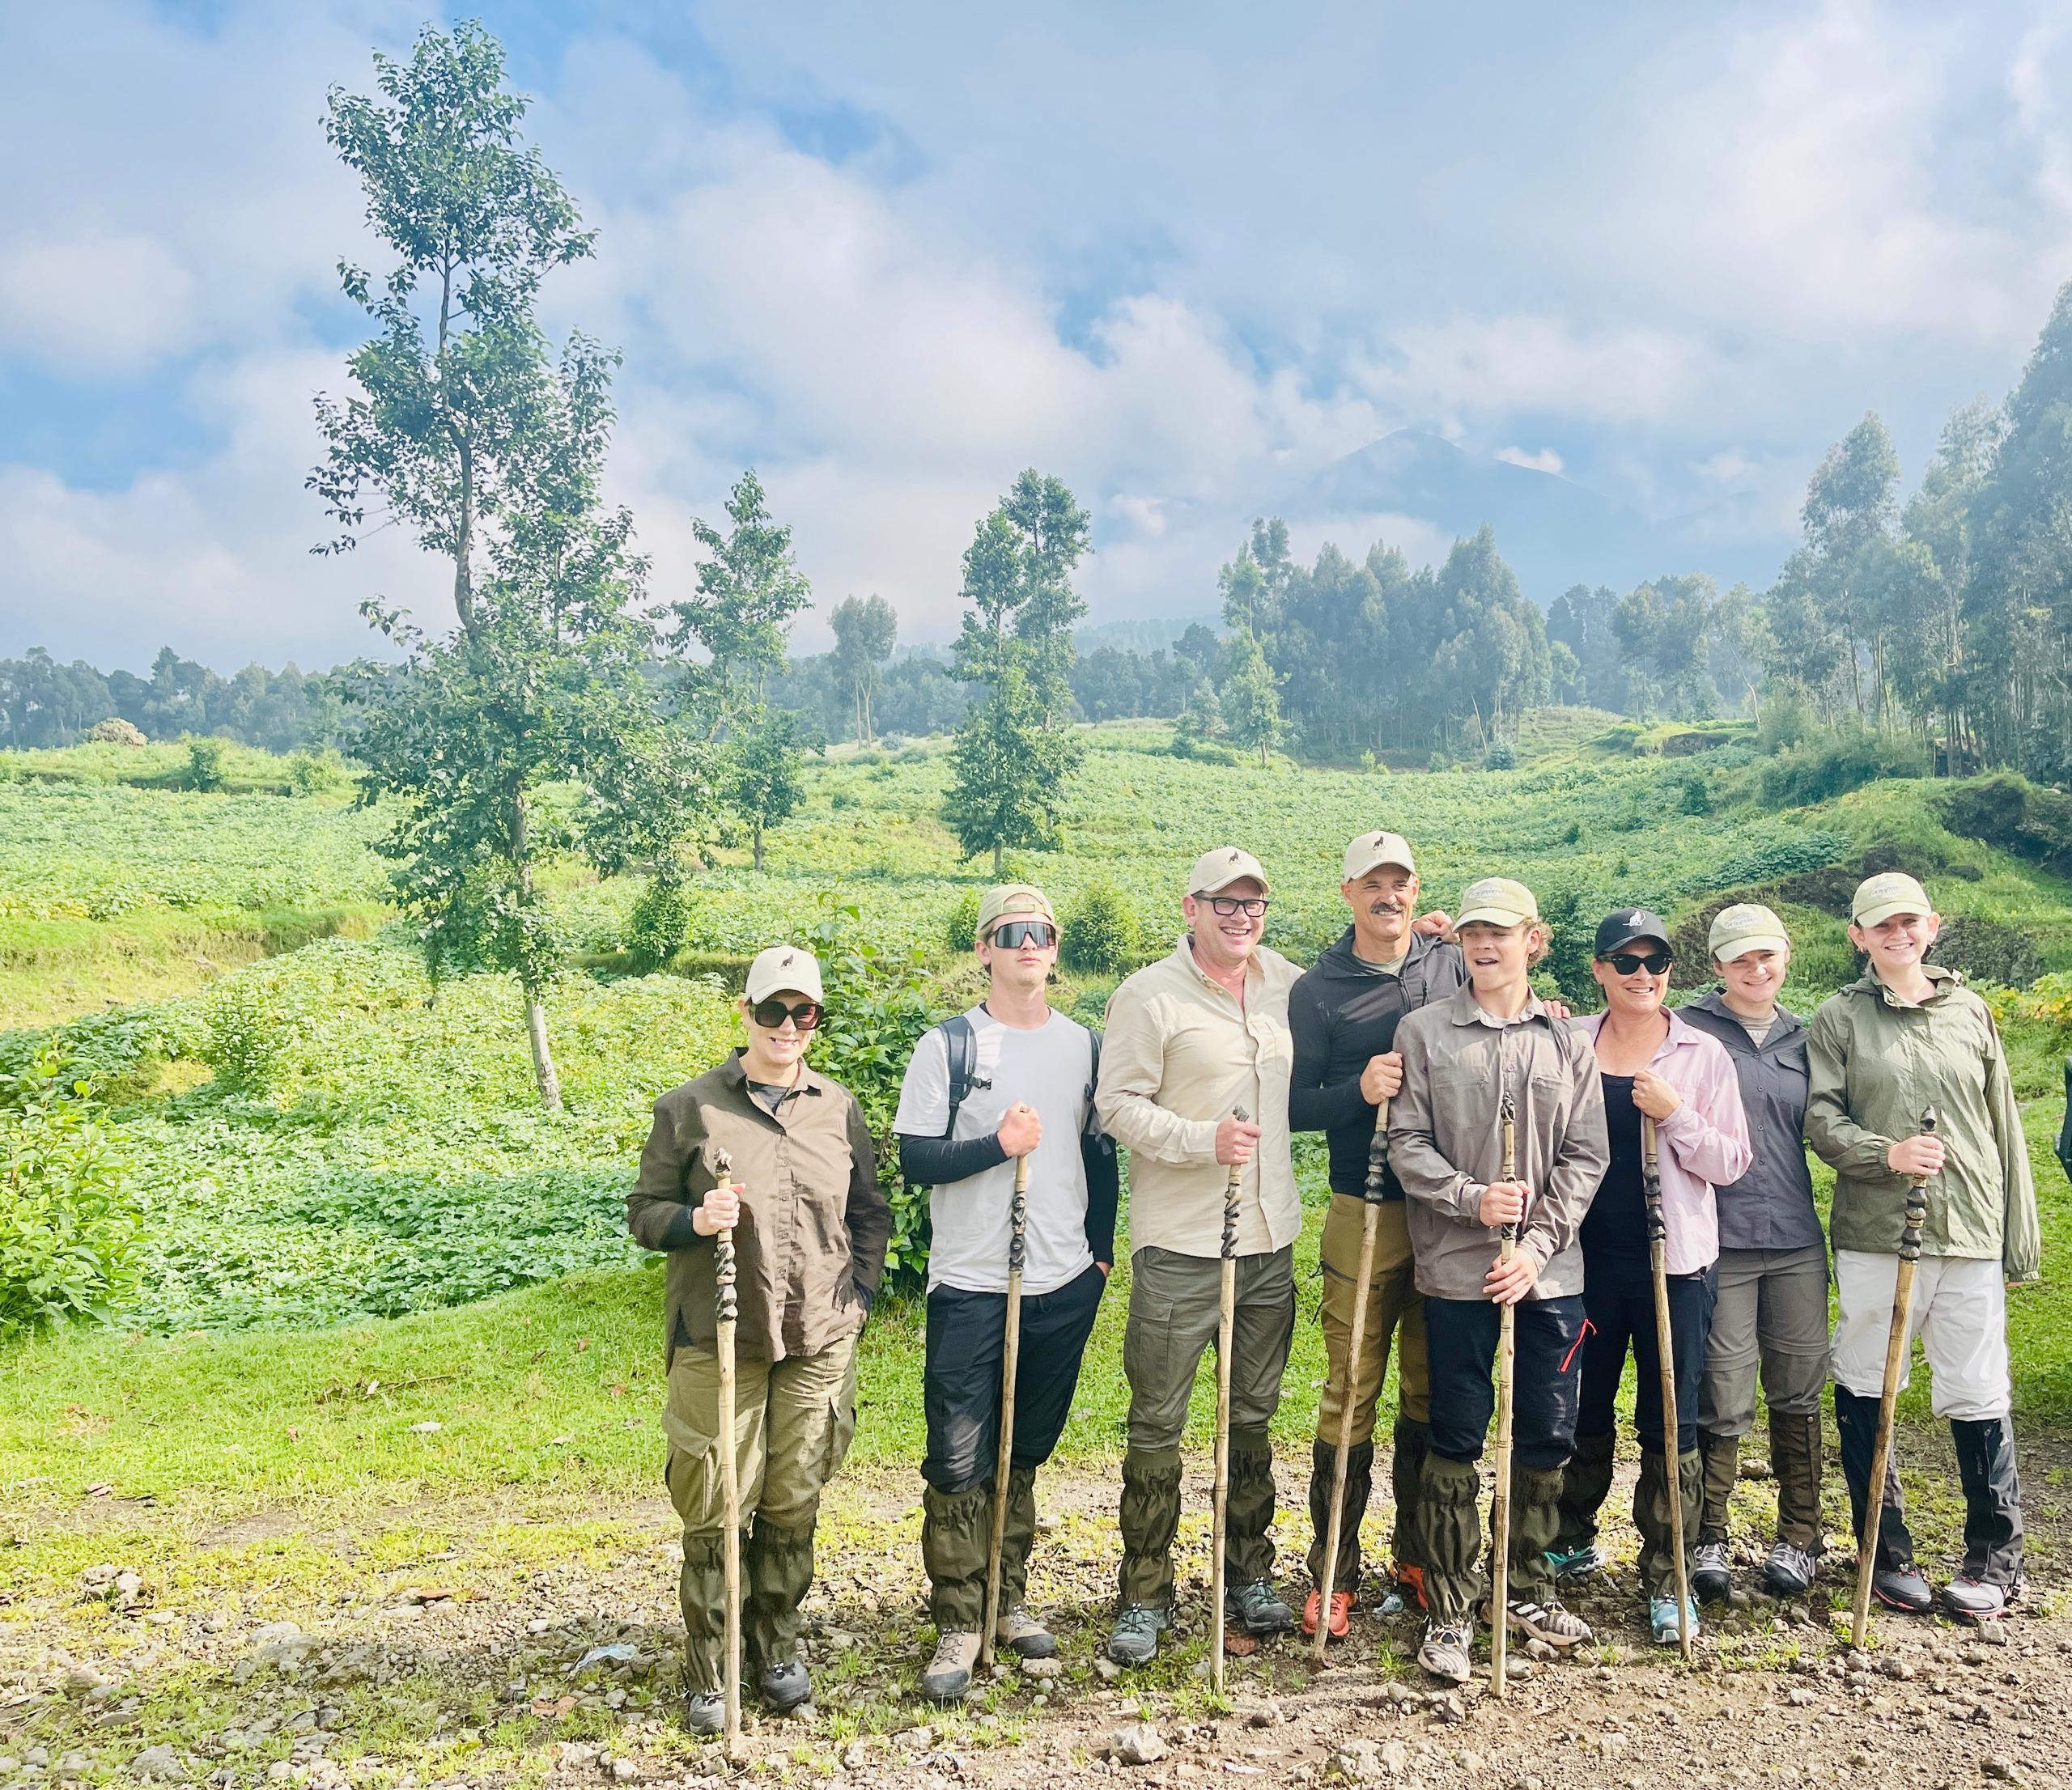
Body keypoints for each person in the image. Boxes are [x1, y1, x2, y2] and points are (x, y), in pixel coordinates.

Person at [626, 945, 891, 1734]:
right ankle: (710, 1669)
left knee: (791, 1497)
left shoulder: (835, 1106)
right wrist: (692, 1219)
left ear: (816, 1019)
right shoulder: (690, 1108)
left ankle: (774, 1649)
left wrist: (862, 1293)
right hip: (720, 1336)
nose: (786, 1025)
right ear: (744, 1012)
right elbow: (643, 1211)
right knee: (716, 1501)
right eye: (771, 1010)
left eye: (801, 1012)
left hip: (817, 1335)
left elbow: (869, 1213)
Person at [894, 884, 1119, 1700]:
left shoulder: (1083, 1044)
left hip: (1061, 1279)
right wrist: (998, 1143)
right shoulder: (949, 1045)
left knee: (1023, 1446)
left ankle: (1008, 1596)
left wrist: (1098, 1258)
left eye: (1042, 933)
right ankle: (959, 1615)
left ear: (1055, 950)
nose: (1028, 944)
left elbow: (1100, 1154)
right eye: (1010, 933)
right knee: (958, 1456)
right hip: (973, 1282)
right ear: (984, 950)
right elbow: (917, 1157)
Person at [1390, 877, 1608, 1685]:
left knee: (1547, 1434)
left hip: (1548, 1278)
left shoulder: (1564, 1041)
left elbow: (1586, 1154)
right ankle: (1449, 1607)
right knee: (1455, 1433)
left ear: (1533, 939)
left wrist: (1538, 1244)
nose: (1485, 945)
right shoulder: (1422, 1032)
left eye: (1502, 933)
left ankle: (1521, 1586)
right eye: (1472, 933)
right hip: (1457, 1272)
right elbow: (1406, 1141)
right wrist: (1472, 1200)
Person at [1808, 872, 2040, 1620]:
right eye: (1881, 926)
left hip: (1968, 1226)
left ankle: (1995, 1557)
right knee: (1870, 1378)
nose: (1896, 935)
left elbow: (2005, 1126)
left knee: (1977, 1385)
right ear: (1859, 936)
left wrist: (2016, 1241)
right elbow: (1822, 1119)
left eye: (1909, 922)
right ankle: (1885, 1548)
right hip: (1878, 1232)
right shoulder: (1838, 1018)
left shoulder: (1973, 1012)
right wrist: (1887, 1154)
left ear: (1931, 926)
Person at [1095, 846, 1302, 1665]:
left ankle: (1247, 1573)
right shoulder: (1147, 996)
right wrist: (1199, 1140)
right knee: (1157, 1422)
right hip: (1179, 1244)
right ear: (1191, 906)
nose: (1240, 916)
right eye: (1224, 902)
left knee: (1250, 1417)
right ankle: (1144, 1592)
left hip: (1266, 1239)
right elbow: (1115, 1105)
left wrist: (1429, 942)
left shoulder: (1287, 983)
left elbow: (1369, 978)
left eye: (1253, 902)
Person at [1548, 910, 1751, 1645]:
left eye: (1655, 963)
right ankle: (1569, 1535)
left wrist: (1676, 1115)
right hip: (1583, 1261)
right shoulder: (1566, 1044)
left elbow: (1731, 1161)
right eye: (1624, 962)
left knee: (1671, 1415)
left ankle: (1669, 1572)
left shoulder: (1704, 1054)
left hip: (1677, 1264)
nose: (1642, 976)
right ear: (1598, 970)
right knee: (1581, 1404)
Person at [1287, 830, 1464, 1638]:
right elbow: (1294, 1108)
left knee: (1431, 1387)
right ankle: (1334, 1565)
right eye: (1372, 883)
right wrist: (1357, 1089)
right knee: (1350, 1388)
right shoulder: (1318, 988)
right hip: (1364, 1207)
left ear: (1415, 888)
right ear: (1347, 891)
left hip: (1447, 1208)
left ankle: (1419, 1553)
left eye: (1400, 882)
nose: (1388, 895)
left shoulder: (1446, 961)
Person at [1679, 904, 1829, 1601]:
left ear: (1786, 957)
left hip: (1796, 1235)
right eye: (1741, 959)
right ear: (1718, 967)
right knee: (1725, 1389)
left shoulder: (1808, 1037)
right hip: (1723, 1239)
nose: (1756, 969)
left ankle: (1800, 1535)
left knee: (1798, 1388)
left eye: (1767, 956)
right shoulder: (1689, 1028)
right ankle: (1709, 1533)